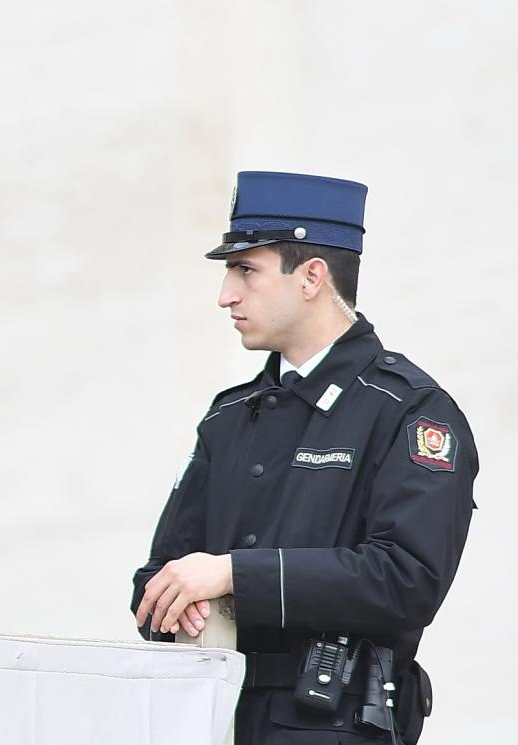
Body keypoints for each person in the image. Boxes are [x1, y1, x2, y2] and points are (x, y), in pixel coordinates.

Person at [131, 172, 476, 744]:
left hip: (333, 726)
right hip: (216, 722)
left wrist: (236, 576)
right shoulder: (228, 418)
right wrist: (178, 605)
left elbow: (407, 580)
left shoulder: (407, 411)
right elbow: (159, 576)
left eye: (247, 270)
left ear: (312, 276)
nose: (226, 295)